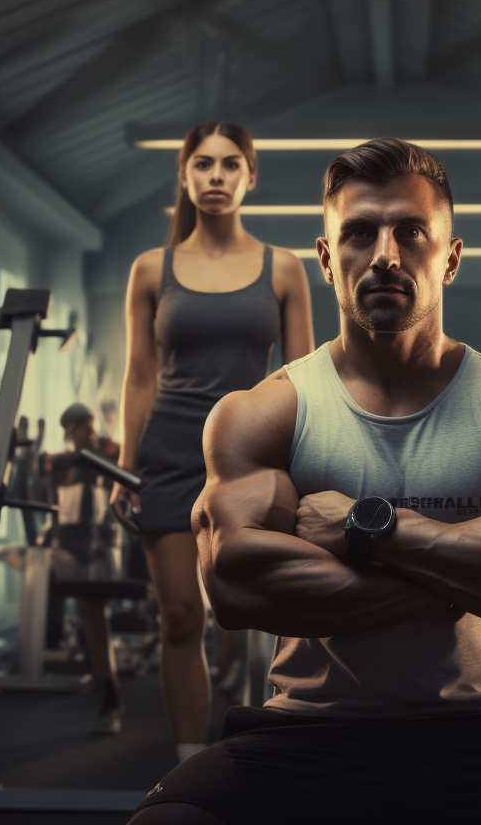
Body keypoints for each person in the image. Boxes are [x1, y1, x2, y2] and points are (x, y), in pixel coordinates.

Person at [129, 138, 481, 825]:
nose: (385, 255)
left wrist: (375, 530)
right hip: (309, 729)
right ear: (328, 260)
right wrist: (467, 563)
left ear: (449, 258)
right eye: (359, 234)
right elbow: (237, 583)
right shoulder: (261, 414)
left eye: (410, 232)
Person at [109, 119, 315, 765]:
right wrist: (123, 463)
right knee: (179, 617)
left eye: (230, 165)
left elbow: (302, 376)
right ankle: (190, 764)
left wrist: (306, 460)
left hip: (250, 454)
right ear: (184, 175)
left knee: (263, 619)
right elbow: (140, 376)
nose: (216, 177)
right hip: (168, 453)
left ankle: (273, 752)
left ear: (251, 177)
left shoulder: (284, 269)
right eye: (203, 165)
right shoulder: (150, 270)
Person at [43, 403, 124, 734]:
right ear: (70, 431)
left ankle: (110, 691)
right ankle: (102, 681)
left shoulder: (103, 455)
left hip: (99, 548)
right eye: (83, 427)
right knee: (86, 612)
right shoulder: (64, 465)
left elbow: (119, 453)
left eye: (92, 426)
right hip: (68, 547)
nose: (89, 432)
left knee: (94, 613)